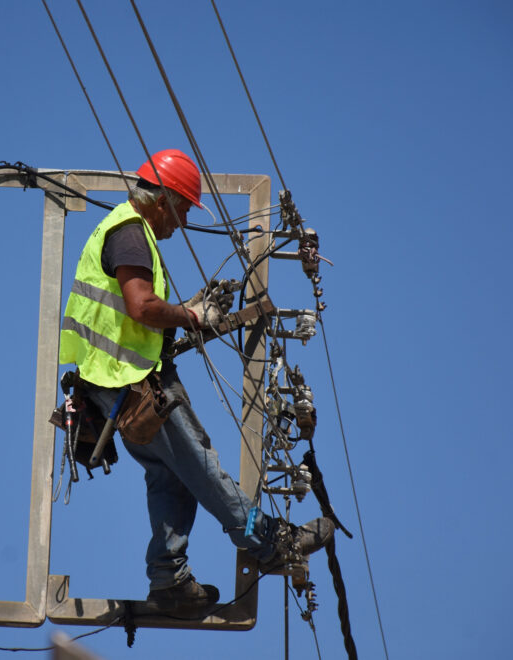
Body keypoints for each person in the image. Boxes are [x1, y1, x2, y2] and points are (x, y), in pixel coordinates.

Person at [59, 148, 333, 613]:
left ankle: (168, 579)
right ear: (161, 199)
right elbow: (141, 308)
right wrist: (189, 315)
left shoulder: (127, 231)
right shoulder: (130, 233)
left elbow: (136, 316)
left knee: (173, 477)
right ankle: (268, 543)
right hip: (133, 382)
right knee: (201, 466)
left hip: (112, 387)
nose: (183, 221)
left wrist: (187, 313)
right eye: (183, 207)